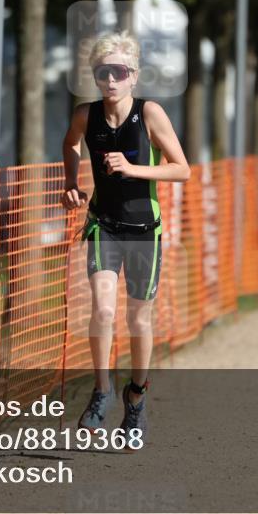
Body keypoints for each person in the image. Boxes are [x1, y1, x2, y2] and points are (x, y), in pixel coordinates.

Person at [61, 31, 190, 446]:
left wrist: (134, 170)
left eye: (119, 72)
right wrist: (71, 182)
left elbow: (181, 168)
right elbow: (70, 143)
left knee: (137, 320)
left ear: (133, 75)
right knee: (101, 312)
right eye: (103, 72)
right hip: (103, 224)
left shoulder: (150, 114)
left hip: (143, 232)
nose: (111, 80)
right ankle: (100, 392)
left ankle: (135, 397)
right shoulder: (87, 115)